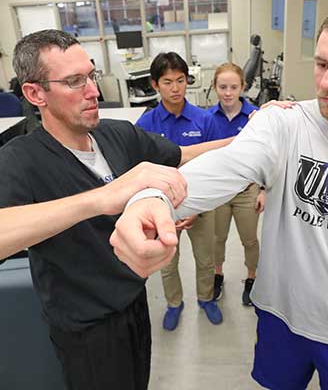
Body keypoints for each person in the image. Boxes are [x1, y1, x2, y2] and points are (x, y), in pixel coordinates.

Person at [111, 2, 328, 390]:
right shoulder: (284, 122)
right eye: (321, 64)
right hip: (281, 314)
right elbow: (227, 164)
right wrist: (154, 199)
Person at [0, 29, 231, 390]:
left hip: (135, 303)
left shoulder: (117, 134)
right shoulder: (20, 158)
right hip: (86, 327)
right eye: (75, 82)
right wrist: (102, 197)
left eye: (90, 76)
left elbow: (181, 155)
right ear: (35, 94)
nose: (94, 91)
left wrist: (250, 138)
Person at [136, 51, 225, 330]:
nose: (175, 88)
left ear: (188, 81)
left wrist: (197, 209)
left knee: (205, 258)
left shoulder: (204, 120)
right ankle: (174, 303)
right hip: (163, 207)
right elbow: (142, 171)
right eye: (167, 82)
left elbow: (215, 166)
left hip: (200, 203)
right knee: (166, 262)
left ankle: (206, 298)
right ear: (154, 85)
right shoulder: (146, 125)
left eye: (180, 80)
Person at [208, 62, 294, 305]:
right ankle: (217, 273)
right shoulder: (207, 119)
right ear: (214, 87)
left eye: (233, 87)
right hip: (219, 192)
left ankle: (252, 277)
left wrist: (265, 189)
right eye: (222, 87)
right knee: (218, 238)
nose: (228, 92)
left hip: (247, 192)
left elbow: (272, 155)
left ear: (243, 87)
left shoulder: (258, 116)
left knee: (249, 240)